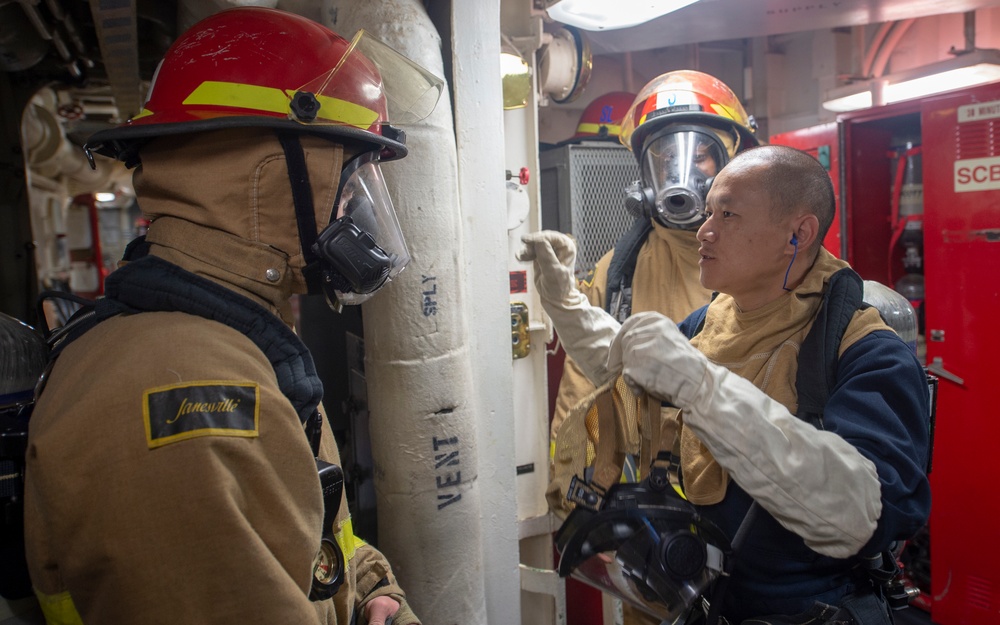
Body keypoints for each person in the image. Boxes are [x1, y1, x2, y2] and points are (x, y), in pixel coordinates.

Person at [23, 7, 441, 625]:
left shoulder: (233, 340)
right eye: (347, 186)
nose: (353, 213)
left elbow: (313, 547)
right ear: (271, 179)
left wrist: (374, 591)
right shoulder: (186, 392)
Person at [520, 145, 931, 625]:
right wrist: (565, 302)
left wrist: (701, 387)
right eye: (709, 211)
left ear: (798, 234)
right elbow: (634, 369)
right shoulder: (711, 322)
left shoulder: (864, 350)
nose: (704, 230)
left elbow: (862, 514)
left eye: (728, 214)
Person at [549, 70, 759, 470]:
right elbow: (581, 392)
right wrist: (572, 486)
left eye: (699, 156)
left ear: (732, 163)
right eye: (666, 159)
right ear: (646, 176)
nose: (682, 174)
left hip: (738, 486)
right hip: (649, 486)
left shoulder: (770, 262)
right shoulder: (618, 271)